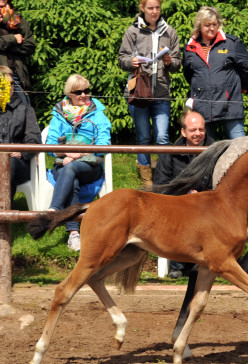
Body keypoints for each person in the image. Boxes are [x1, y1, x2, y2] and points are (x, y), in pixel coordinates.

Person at [118, 0, 181, 188]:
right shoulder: (132, 31)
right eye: (151, 8)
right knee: (143, 137)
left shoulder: (170, 32)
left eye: (157, 8)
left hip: (161, 92)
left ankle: (163, 177)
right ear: (142, 8)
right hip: (138, 92)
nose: (154, 11)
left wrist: (170, 62)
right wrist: (132, 62)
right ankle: (147, 181)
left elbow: (178, 64)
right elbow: (122, 59)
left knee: (162, 137)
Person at [46, 74, 111, 251]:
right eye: (78, 92)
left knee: (71, 166)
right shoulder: (59, 114)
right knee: (70, 173)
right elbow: (50, 143)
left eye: (86, 91)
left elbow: (104, 142)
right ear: (69, 94)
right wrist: (67, 152)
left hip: (90, 164)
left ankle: (53, 211)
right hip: (64, 161)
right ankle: (74, 233)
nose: (83, 95)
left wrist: (80, 153)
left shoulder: (98, 113)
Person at [153, 110, 214, 278]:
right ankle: (178, 265)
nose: (198, 134)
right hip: (178, 204)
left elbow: (223, 183)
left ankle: (209, 262)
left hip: (209, 204)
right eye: (193, 130)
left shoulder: (216, 151)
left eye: (201, 129)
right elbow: (160, 183)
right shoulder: (170, 153)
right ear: (183, 132)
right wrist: (185, 195)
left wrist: (201, 196)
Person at [183, 6, 248, 141]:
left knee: (239, 146)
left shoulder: (231, 43)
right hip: (202, 104)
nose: (211, 28)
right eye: (207, 25)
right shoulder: (190, 47)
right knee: (206, 151)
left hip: (229, 104)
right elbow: (189, 74)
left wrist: (241, 88)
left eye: (214, 24)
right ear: (199, 26)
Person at [0, 65, 39, 206]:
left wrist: (22, 151)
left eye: (11, 83)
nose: (9, 87)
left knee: (7, 164)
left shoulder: (25, 109)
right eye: (4, 84)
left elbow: (34, 138)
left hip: (18, 164)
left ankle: (3, 215)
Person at [0, 0, 35, 102]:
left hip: (16, 75)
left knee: (24, 110)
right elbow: (14, 40)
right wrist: (12, 39)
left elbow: (30, 46)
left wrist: (6, 46)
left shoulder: (18, 20)